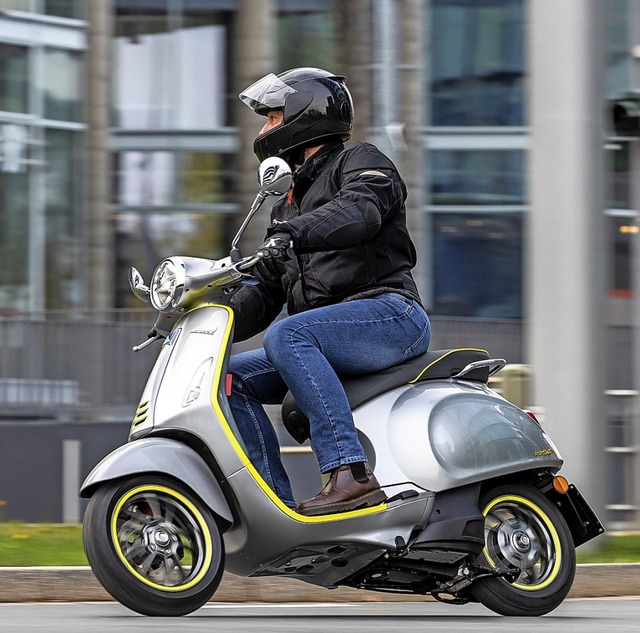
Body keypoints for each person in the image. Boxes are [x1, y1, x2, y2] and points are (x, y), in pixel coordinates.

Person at [226, 67, 431, 516]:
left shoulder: (361, 162)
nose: (264, 130)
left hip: (389, 314)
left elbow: (359, 211)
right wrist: (209, 314)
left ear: (305, 113)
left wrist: (291, 234)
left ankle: (350, 475)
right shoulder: (285, 204)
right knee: (228, 379)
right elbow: (266, 290)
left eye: (272, 118)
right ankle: (271, 505)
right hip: (327, 331)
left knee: (288, 336)